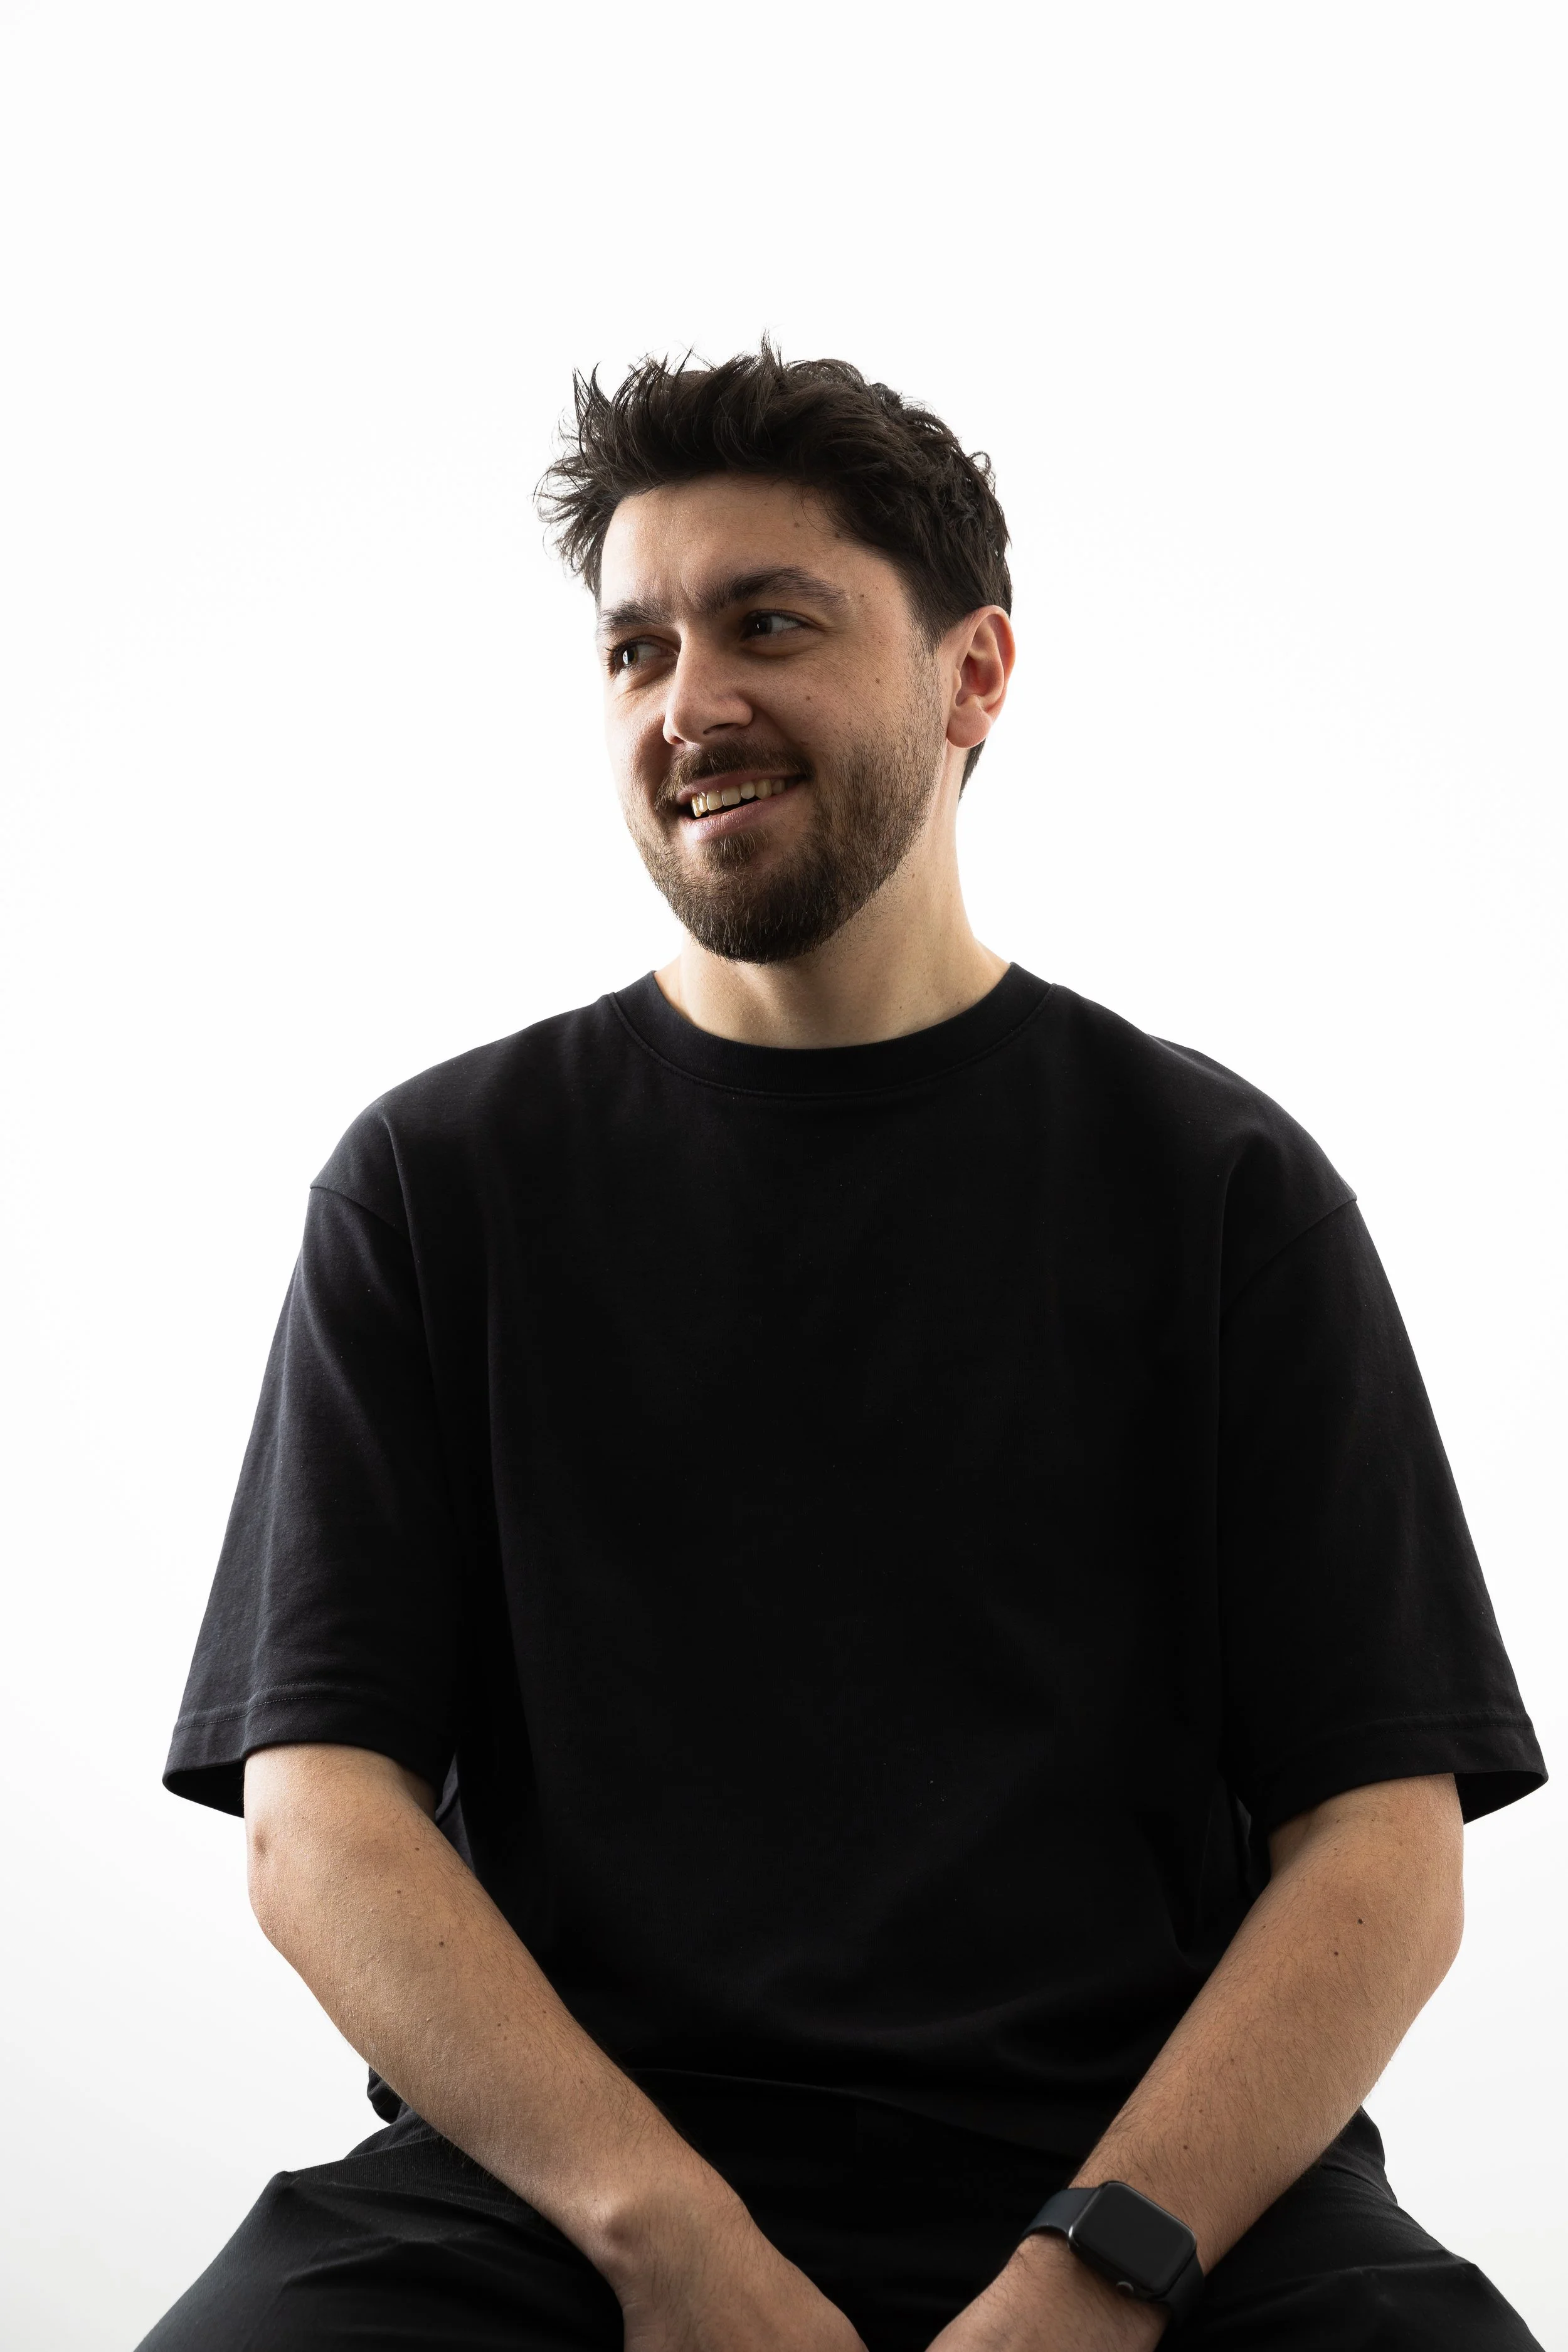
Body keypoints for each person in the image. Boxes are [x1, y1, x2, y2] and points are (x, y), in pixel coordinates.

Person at [142, 348, 1547, 2352]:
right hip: (562, 2177)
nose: (687, 700)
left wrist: (1102, 2265)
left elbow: (1381, 1844)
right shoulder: (436, 1182)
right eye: (635, 646)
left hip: (1144, 2170)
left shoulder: (1219, 1185)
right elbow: (322, 1814)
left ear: (974, 674)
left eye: (765, 622)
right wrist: (665, 2238)